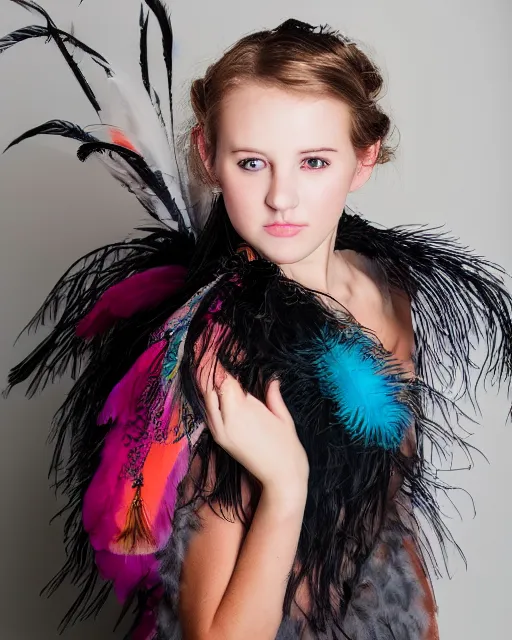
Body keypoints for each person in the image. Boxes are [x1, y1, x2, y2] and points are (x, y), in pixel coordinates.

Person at [2, 2, 512, 639]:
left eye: (314, 161)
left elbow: (388, 512)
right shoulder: (220, 349)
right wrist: (286, 482)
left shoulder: (388, 290)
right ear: (208, 153)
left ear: (365, 158)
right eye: (252, 162)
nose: (281, 195)